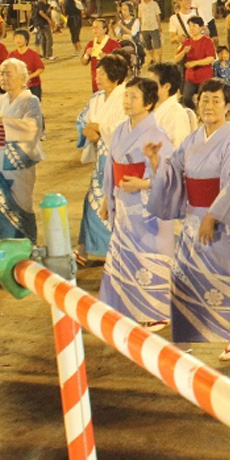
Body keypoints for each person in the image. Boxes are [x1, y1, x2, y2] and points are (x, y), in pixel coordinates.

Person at [145, 79, 230, 361]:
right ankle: (187, 335)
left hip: (221, 220)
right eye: (204, 100)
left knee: (226, 275)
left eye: (216, 101)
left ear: (228, 107)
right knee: (184, 275)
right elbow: (175, 170)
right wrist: (157, 161)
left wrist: (213, 215)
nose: (209, 106)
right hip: (193, 216)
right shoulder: (194, 138)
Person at [98, 77, 174, 330]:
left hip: (146, 206)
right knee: (125, 255)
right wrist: (107, 197)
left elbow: (169, 175)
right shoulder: (121, 130)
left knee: (148, 255)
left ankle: (157, 310)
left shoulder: (156, 135)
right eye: (126, 96)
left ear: (149, 103)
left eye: (134, 97)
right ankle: (127, 307)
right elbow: (111, 166)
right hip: (123, 201)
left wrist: (143, 184)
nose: (127, 102)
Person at [0, 58, 45, 241]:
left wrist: (1, 121)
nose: (3, 77)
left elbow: (32, 127)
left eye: (8, 73)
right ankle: (1, 245)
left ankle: (24, 244)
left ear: (23, 78)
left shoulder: (31, 101)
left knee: (21, 203)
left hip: (18, 161)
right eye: (1, 73)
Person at [75, 54, 128, 265]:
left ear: (115, 76)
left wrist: (99, 128)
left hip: (117, 157)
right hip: (100, 158)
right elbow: (82, 120)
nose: (98, 77)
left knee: (117, 205)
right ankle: (84, 248)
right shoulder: (96, 98)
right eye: (97, 73)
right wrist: (89, 131)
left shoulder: (126, 97)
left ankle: (116, 249)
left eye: (103, 73)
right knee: (91, 203)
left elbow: (124, 127)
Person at [172, 15, 216, 107]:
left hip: (204, 75)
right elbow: (176, 59)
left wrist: (195, 63)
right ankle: (194, 112)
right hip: (190, 76)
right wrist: (184, 52)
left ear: (201, 27)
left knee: (203, 98)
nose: (191, 29)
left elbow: (211, 58)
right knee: (186, 98)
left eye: (194, 26)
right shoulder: (187, 42)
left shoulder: (207, 41)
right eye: (190, 26)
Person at [147, 62, 192, 150]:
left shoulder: (176, 114)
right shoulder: (151, 107)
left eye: (151, 83)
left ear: (167, 86)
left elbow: (178, 151)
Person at [81, 18, 120, 93]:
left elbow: (120, 62)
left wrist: (108, 57)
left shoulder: (113, 44)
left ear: (105, 29)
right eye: (93, 27)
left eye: (98, 27)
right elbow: (83, 62)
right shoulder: (91, 44)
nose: (95, 30)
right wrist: (87, 55)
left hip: (110, 80)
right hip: (96, 81)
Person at [10, 29, 45, 100]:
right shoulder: (12, 55)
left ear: (26, 40)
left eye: (20, 38)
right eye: (16, 38)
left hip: (33, 86)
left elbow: (40, 68)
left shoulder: (33, 54)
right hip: (17, 87)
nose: (18, 40)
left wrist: (29, 76)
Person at [137, 0, 163, 66]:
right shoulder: (140, 6)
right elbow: (140, 17)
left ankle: (159, 61)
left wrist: (159, 26)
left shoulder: (154, 4)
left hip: (154, 27)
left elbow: (157, 15)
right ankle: (153, 59)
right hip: (144, 28)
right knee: (148, 46)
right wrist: (140, 28)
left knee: (157, 44)